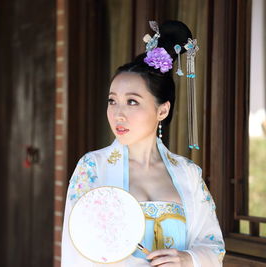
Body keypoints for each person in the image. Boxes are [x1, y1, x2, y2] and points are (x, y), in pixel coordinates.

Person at [61, 20, 225, 267]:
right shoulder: (94, 168)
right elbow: (76, 253)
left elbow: (213, 246)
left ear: (162, 110)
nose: (118, 114)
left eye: (133, 102)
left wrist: (188, 259)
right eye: (112, 101)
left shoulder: (187, 173)